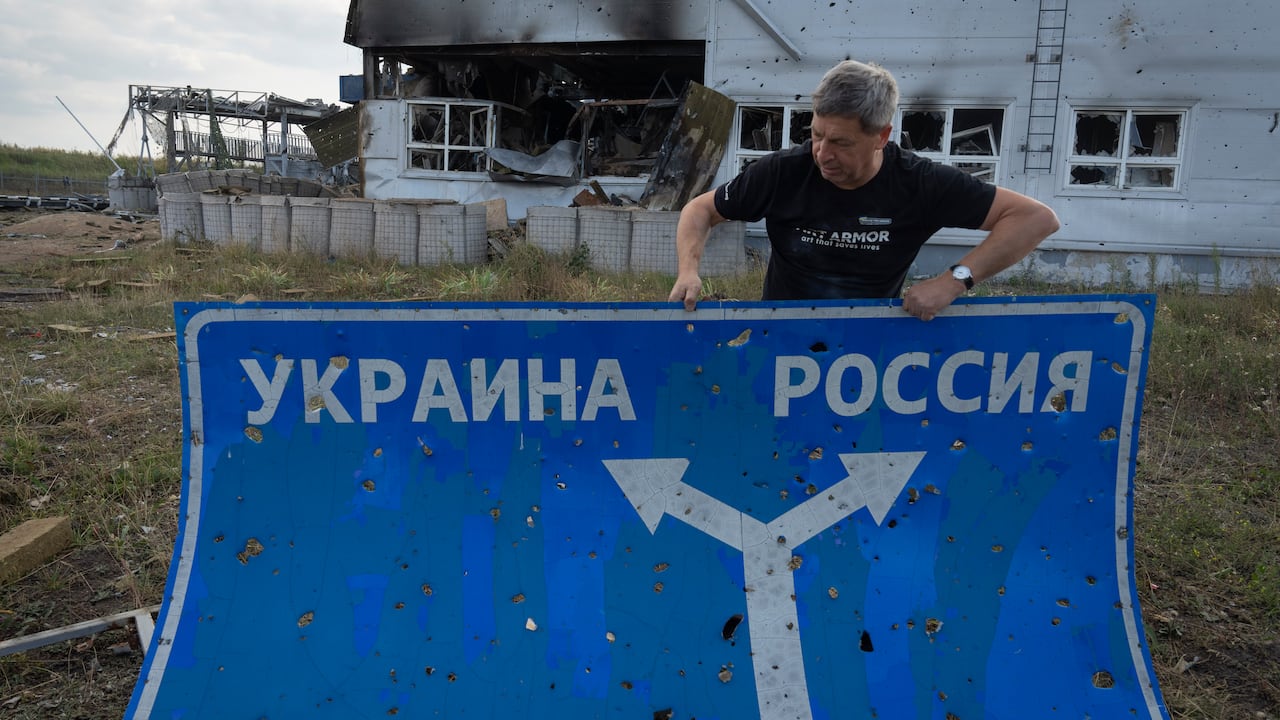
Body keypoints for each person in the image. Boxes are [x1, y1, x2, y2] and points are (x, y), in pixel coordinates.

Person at [667, 60, 1060, 321]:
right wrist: (688, 271)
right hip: (780, 334)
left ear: (881, 136)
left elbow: (1035, 219)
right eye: (817, 135)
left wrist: (954, 281)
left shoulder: (919, 183)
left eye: (841, 143)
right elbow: (700, 211)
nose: (823, 153)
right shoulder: (783, 172)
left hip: (871, 344)